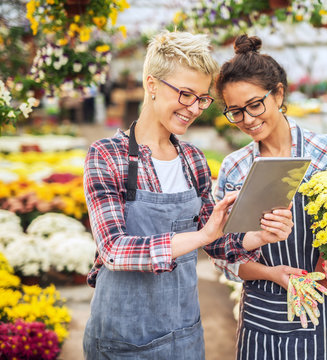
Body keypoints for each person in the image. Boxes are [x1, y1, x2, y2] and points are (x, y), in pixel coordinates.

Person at [82, 30, 294, 359]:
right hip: (122, 339)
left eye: (202, 98)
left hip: (184, 334)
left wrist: (259, 235)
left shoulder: (192, 159)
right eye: (185, 94)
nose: (194, 108)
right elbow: (114, 250)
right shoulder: (108, 155)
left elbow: (217, 243)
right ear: (151, 85)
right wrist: (204, 234)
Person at [213, 35, 327, 359]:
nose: (247, 119)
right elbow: (222, 254)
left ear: (278, 94)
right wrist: (272, 274)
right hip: (260, 317)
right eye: (235, 112)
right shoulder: (234, 168)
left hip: (324, 314)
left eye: (255, 105)